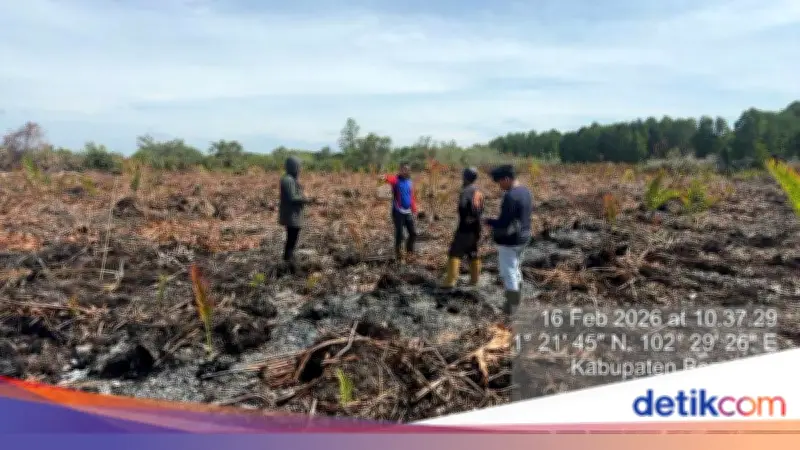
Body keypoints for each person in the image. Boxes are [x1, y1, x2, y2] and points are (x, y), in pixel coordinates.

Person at [484, 164, 532, 315]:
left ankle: (512, 306)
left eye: (500, 182)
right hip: (524, 236)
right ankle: (516, 299)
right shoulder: (526, 191)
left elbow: (504, 222)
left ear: (507, 179)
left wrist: (488, 221)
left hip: (510, 240)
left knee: (508, 271)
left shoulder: (510, 196)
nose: (499, 186)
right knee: (516, 267)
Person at [443, 167, 484, 288]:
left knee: (454, 252)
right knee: (473, 251)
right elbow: (481, 209)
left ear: (465, 177)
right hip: (477, 227)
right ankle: (474, 280)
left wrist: (467, 218)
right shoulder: (479, 191)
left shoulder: (465, 191)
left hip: (465, 227)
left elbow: (462, 207)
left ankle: (450, 282)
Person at [278, 156, 315, 274]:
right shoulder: (288, 180)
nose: (300, 169)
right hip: (291, 215)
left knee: (292, 239)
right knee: (291, 239)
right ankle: (287, 263)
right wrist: (306, 200)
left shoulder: (290, 179)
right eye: (298, 166)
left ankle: (288, 261)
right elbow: (293, 197)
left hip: (293, 214)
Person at [380, 162, 418, 263]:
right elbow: (387, 178)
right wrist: (383, 177)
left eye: (408, 169)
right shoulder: (396, 180)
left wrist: (414, 209)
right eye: (404, 169)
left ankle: (409, 253)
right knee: (400, 234)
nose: (406, 171)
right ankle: (398, 255)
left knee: (413, 233)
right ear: (400, 170)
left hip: (408, 212)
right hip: (398, 211)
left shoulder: (409, 181)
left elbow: (411, 196)